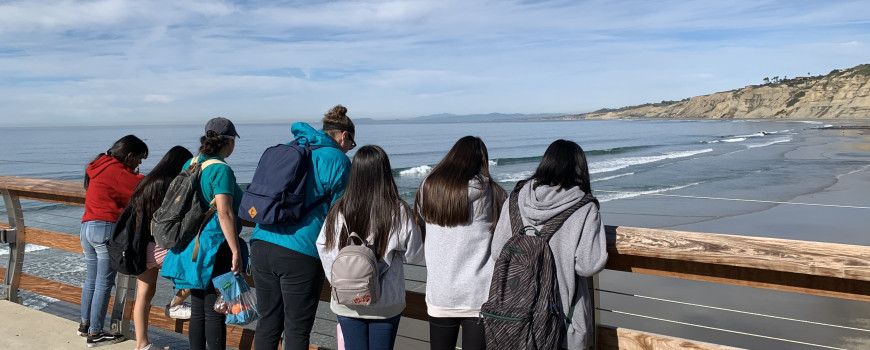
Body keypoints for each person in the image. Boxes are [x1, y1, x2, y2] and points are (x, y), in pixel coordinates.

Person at [251, 105, 356, 350]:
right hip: (300, 252)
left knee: (268, 322)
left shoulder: (291, 147)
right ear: (344, 135)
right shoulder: (338, 160)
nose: (349, 149)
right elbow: (341, 213)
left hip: (261, 243)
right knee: (297, 328)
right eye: (351, 144)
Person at [490, 139, 608, 350]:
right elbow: (587, 266)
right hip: (562, 320)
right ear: (579, 169)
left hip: (515, 316)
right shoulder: (584, 207)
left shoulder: (515, 199)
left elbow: (498, 251)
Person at [317, 145, 425, 350]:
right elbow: (415, 256)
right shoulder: (397, 209)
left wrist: (339, 281)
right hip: (386, 301)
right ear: (385, 172)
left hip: (346, 299)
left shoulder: (339, 207)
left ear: (355, 173)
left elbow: (323, 245)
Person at [414, 136, 506, 350]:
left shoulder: (429, 188)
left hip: (440, 293)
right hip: (479, 294)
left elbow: (421, 220)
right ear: (481, 161)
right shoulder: (492, 193)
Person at [161, 117, 245, 350]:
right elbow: (225, 213)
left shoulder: (192, 162)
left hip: (191, 244)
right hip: (214, 246)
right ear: (228, 141)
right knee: (216, 310)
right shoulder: (221, 169)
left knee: (199, 309)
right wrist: (236, 250)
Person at [116, 145, 193, 350]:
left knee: (144, 295)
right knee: (198, 269)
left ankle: (142, 344)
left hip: (140, 248)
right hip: (158, 247)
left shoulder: (146, 182)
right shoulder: (171, 184)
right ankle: (175, 305)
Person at [80, 134, 148, 347]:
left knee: (92, 280)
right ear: (129, 155)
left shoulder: (99, 165)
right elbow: (139, 189)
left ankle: (85, 325)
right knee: (104, 283)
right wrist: (139, 175)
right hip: (105, 227)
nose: (139, 163)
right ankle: (96, 333)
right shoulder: (115, 170)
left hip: (87, 227)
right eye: (139, 158)